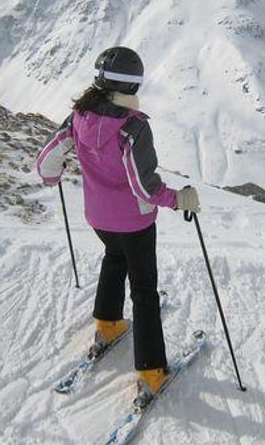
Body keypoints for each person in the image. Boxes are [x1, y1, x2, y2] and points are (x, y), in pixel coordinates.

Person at [36, 46, 200, 407]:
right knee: (144, 292)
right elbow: (144, 186)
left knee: (114, 258)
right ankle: (151, 371)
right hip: (134, 223)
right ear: (134, 83)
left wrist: (53, 177)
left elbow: (48, 159)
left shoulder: (79, 116)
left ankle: (108, 324)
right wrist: (180, 199)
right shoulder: (132, 127)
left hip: (98, 218)